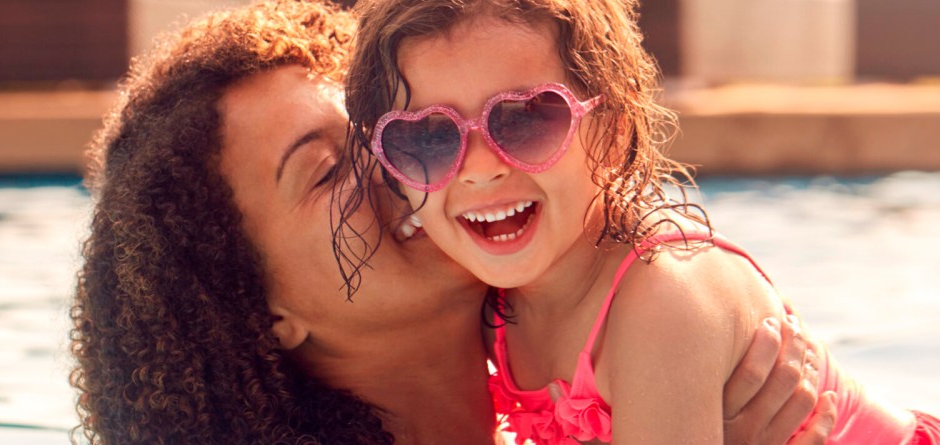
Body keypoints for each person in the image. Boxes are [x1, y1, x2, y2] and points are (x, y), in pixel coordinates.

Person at [71, 0, 834, 443]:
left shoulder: (596, 326)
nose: (423, 164)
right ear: (265, 314)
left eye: (391, 128)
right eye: (326, 170)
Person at [341, 0, 938, 443]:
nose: (478, 171)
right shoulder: (492, 298)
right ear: (393, 168)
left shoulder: (663, 299)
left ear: (616, 125)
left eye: (525, 119)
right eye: (428, 140)